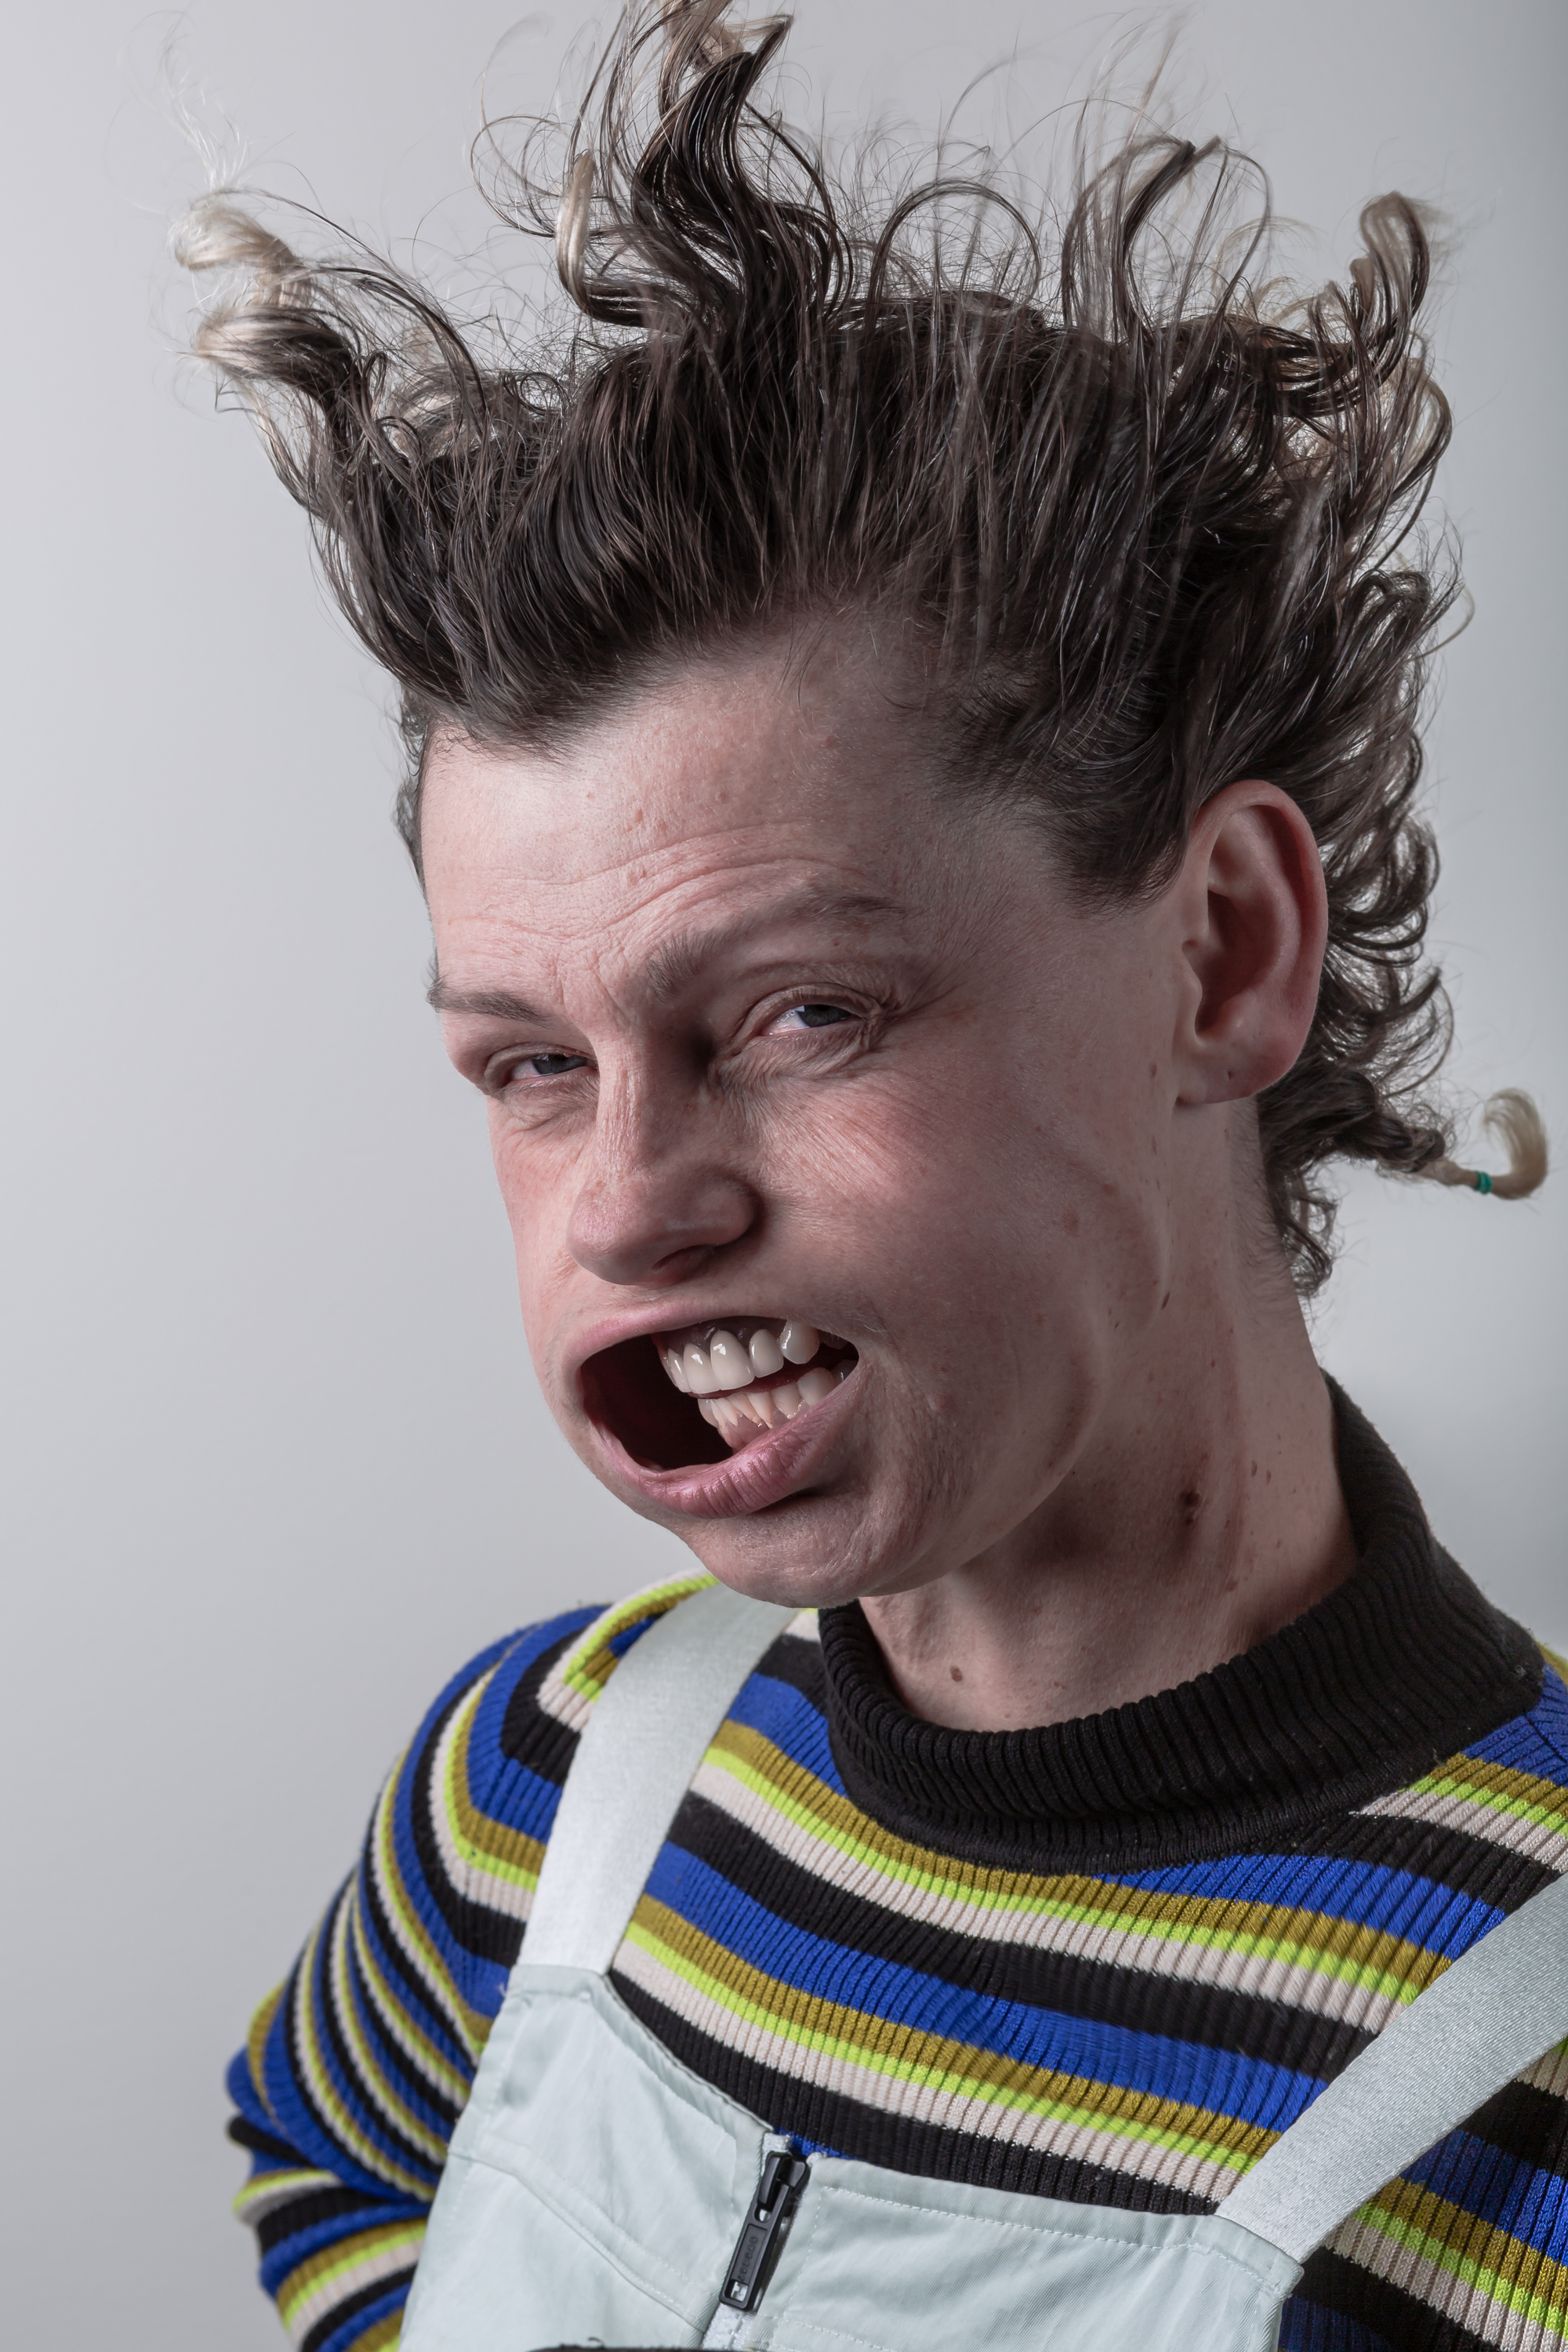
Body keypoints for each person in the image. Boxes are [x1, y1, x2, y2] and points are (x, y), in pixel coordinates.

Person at [180, 6, 1564, 2347]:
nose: (627, 1205)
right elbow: (324, 2157)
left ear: (1225, 953)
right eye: (533, 1064)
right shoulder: (545, 1782)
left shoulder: (1528, 2064)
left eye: (801, 1014)